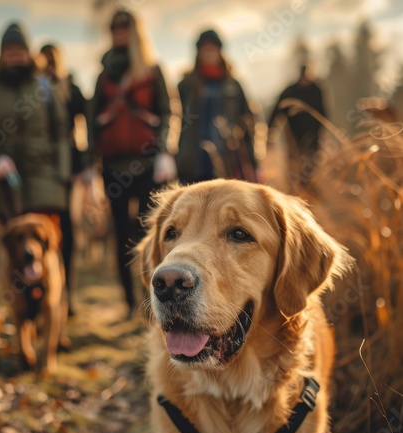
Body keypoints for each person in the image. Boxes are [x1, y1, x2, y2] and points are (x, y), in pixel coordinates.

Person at [88, 9, 173, 317]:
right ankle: (129, 302)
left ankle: (153, 301)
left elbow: (166, 112)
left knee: (149, 234)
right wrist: (89, 163)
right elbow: (91, 120)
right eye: (115, 29)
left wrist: (163, 151)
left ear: (135, 32)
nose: (119, 34)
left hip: (148, 165)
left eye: (124, 29)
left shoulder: (152, 71)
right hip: (112, 166)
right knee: (121, 234)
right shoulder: (103, 76)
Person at [0, 23, 70, 224]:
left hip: (45, 180)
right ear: (1, 55)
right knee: (15, 246)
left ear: (28, 53)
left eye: (19, 51)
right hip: (6, 185)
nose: (15, 56)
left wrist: (63, 175)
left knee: (45, 244)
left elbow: (62, 132)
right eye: (9, 51)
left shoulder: (45, 88)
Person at [39, 43, 88, 316]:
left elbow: (84, 124)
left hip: (68, 174)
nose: (47, 65)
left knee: (68, 234)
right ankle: (45, 297)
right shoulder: (32, 91)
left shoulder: (72, 89)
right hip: (39, 173)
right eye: (42, 60)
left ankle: (67, 298)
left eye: (51, 60)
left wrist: (85, 166)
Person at [176, 29, 258, 184]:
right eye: (205, 49)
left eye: (212, 49)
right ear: (198, 53)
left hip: (226, 162)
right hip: (191, 164)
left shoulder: (233, 86)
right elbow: (175, 120)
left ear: (220, 52)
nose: (209, 53)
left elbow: (247, 122)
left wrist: (253, 162)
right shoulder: (185, 85)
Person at [268, 64, 327, 182]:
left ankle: (308, 185)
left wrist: (320, 129)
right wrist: (271, 131)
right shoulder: (290, 92)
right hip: (293, 136)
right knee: (294, 163)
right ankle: (294, 185)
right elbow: (277, 111)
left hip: (313, 136)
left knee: (312, 162)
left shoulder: (316, 91)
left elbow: (324, 113)